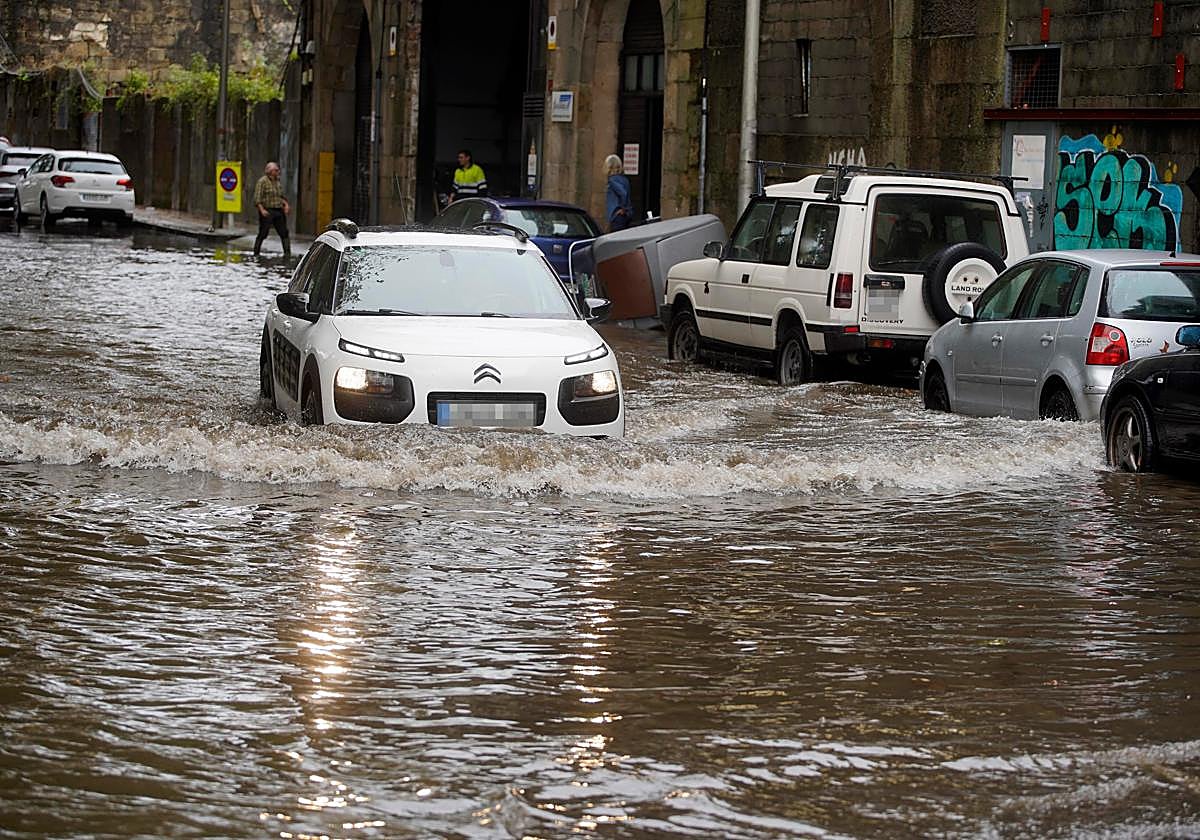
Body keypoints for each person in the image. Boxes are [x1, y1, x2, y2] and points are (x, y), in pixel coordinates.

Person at [253, 161, 290, 257]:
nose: (278, 172)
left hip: (278, 209)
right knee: (263, 232)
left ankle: (287, 253)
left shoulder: (277, 182)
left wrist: (286, 205)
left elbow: (281, 196)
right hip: (267, 210)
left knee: (284, 232)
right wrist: (262, 210)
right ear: (270, 171)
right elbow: (257, 198)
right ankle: (256, 253)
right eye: (276, 170)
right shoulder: (262, 182)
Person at [604, 154, 633, 232]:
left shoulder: (612, 180)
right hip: (626, 215)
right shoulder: (624, 179)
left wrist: (622, 209)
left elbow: (623, 193)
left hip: (618, 216)